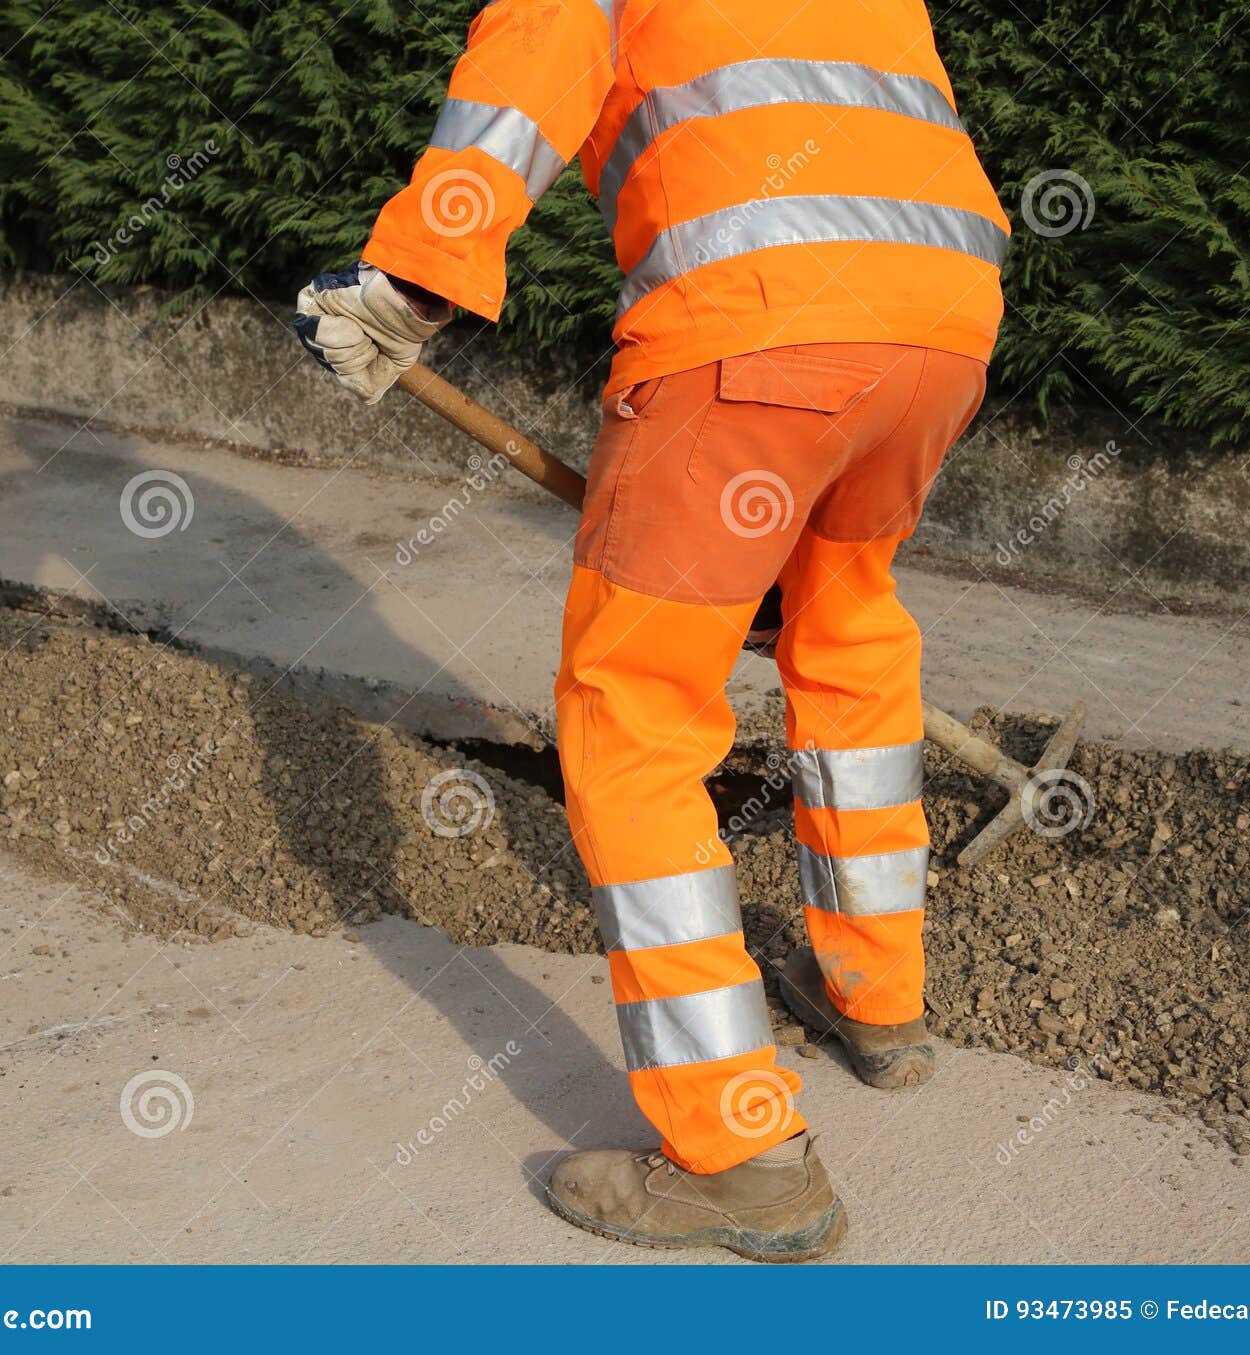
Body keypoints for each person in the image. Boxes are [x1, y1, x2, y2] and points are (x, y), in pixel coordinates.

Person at [295, 0, 1008, 1262]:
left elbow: (518, 99)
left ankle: (740, 1159)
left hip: (753, 332)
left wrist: (400, 292)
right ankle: (875, 1000)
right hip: (939, 325)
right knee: (845, 638)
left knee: (631, 713)